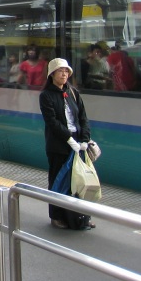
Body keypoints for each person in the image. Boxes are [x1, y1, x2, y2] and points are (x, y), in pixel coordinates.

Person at [39, 57, 94, 230]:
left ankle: (80, 217)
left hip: (78, 142)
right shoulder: (46, 96)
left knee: (79, 181)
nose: (64, 74)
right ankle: (56, 216)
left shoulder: (73, 93)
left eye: (66, 71)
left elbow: (83, 118)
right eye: (60, 71)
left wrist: (84, 139)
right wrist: (68, 139)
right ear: (52, 74)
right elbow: (52, 122)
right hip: (58, 144)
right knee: (58, 180)